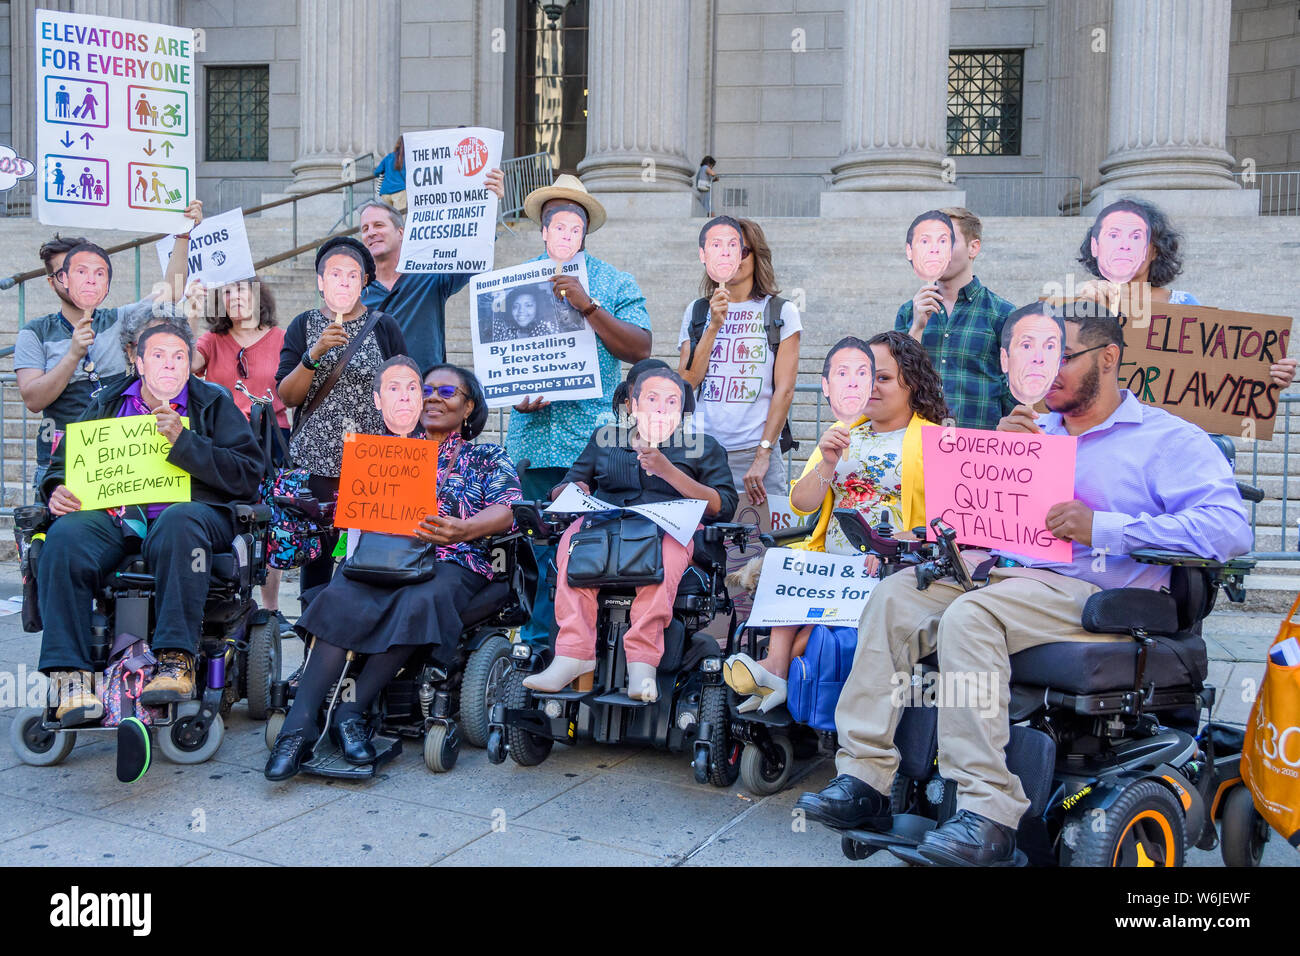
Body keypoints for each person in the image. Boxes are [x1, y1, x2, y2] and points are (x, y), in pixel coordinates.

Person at [796, 301, 1252, 866]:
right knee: (898, 595)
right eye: (1032, 354)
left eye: (1060, 354)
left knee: (973, 616)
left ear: (1108, 358)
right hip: (1010, 577)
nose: (1044, 367)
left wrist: (1102, 526)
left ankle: (987, 811)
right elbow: (978, 524)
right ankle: (864, 777)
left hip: (1100, 592)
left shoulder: (1168, 440)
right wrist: (994, 467)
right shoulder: (1031, 430)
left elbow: (1230, 531)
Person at [264, 364, 520, 779]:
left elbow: (507, 509)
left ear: (469, 406)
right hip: (383, 557)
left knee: (421, 599)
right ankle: (297, 728)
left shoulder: (486, 455)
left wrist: (463, 528)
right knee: (340, 597)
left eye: (447, 391)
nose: (434, 397)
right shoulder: (385, 450)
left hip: (454, 557)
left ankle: (351, 711)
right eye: (427, 389)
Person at [36, 322, 263, 720]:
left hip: (194, 516)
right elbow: (61, 467)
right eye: (158, 355)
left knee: (179, 520)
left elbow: (247, 475)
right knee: (65, 536)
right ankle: (69, 677)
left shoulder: (212, 402)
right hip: (117, 519)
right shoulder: (107, 402)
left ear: (189, 364)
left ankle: (176, 660)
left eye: (179, 356)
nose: (169, 365)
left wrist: (186, 444)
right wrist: (56, 489)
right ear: (138, 362)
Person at [724, 332, 947, 712]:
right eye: (862, 375)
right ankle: (781, 672)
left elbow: (948, 520)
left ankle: (778, 671)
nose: (870, 386)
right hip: (831, 562)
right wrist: (827, 461)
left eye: (883, 377)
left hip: (890, 563)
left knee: (819, 620)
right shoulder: (844, 434)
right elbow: (801, 503)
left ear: (912, 382)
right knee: (783, 560)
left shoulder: (936, 440)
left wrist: (899, 545)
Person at [524, 365, 736, 700]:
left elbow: (722, 505)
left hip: (670, 526)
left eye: (671, 401)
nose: (661, 408)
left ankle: (642, 664)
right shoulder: (606, 440)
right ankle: (572, 654)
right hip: (609, 523)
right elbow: (570, 482)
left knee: (663, 553)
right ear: (632, 405)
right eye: (652, 399)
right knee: (572, 541)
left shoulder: (702, 446)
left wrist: (668, 472)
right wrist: (570, 489)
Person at [510, 174, 653, 650]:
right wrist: (516, 394)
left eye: (575, 225)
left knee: (580, 550)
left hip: (590, 444)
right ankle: (532, 648)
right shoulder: (513, 284)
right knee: (532, 549)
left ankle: (579, 649)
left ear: (584, 232)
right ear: (544, 231)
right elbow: (500, 362)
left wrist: (589, 307)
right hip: (532, 439)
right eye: (558, 225)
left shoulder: (615, 282)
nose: (566, 233)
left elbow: (641, 348)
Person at [14, 203, 203, 489]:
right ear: (53, 282)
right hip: (61, 462)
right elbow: (33, 399)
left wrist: (183, 235)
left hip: (117, 460)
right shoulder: (35, 333)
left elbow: (171, 293)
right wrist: (73, 355)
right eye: (68, 272)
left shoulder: (118, 319)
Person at [276, 236, 409, 598]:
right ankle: (313, 642)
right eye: (335, 274)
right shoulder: (303, 326)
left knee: (370, 557)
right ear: (321, 282)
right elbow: (287, 396)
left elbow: (405, 388)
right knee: (317, 561)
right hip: (316, 462)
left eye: (353, 275)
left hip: (372, 462)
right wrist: (314, 353)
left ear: (365, 281)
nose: (344, 281)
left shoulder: (384, 326)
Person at [1075, 198, 1296, 390]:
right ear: (1097, 247)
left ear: (1155, 250)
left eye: (1137, 237)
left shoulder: (1184, 304)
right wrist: (1081, 309)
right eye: (1113, 236)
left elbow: (1217, 371)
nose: (1125, 246)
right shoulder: (1082, 303)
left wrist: (1267, 375)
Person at [187, 277, 294, 633]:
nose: (234, 298)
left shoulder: (281, 338)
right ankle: (221, 601)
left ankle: (271, 609)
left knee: (269, 520)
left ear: (258, 294)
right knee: (224, 514)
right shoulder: (212, 341)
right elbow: (184, 366)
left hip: (271, 437)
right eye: (226, 292)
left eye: (241, 290)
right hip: (223, 440)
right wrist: (189, 315)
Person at [677, 216, 801, 507]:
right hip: (701, 452)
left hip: (754, 455)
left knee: (760, 547)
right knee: (702, 547)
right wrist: (713, 327)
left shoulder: (781, 311)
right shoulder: (697, 311)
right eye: (721, 249)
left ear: (757, 256)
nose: (730, 257)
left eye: (739, 249)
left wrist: (763, 455)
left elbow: (785, 390)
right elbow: (687, 383)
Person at [356, 164, 504, 373]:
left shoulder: (430, 276)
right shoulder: (356, 289)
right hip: (374, 394)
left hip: (425, 392)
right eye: (365, 228)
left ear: (401, 232)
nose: (371, 233)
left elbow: (477, 251)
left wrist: (490, 202)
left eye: (379, 225)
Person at [895, 207, 1016, 430]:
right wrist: (917, 328)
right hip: (919, 444)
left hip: (979, 448)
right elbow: (897, 381)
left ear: (973, 247)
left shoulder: (1002, 313)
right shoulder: (908, 312)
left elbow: (1015, 390)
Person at [373, 135, 408, 212]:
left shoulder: (389, 157)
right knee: (399, 218)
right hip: (400, 191)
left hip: (385, 191)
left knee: (387, 218)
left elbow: (376, 172)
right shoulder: (408, 159)